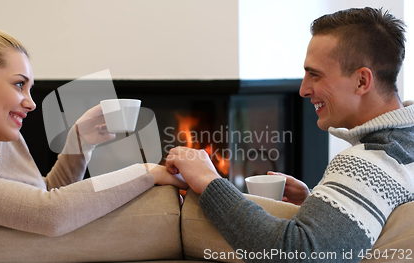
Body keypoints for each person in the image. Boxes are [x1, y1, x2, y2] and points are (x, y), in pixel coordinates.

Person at [166, 7, 414, 262]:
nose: (303, 89)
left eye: (315, 75)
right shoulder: (404, 146)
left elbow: (295, 254)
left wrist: (207, 180)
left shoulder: (369, 163)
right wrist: (317, 205)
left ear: (362, 81)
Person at [0, 11, 187, 237]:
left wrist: (79, 141)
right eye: (19, 84)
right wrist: (147, 173)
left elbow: (43, 193)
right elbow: (48, 213)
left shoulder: (8, 141)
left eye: (30, 88)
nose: (31, 103)